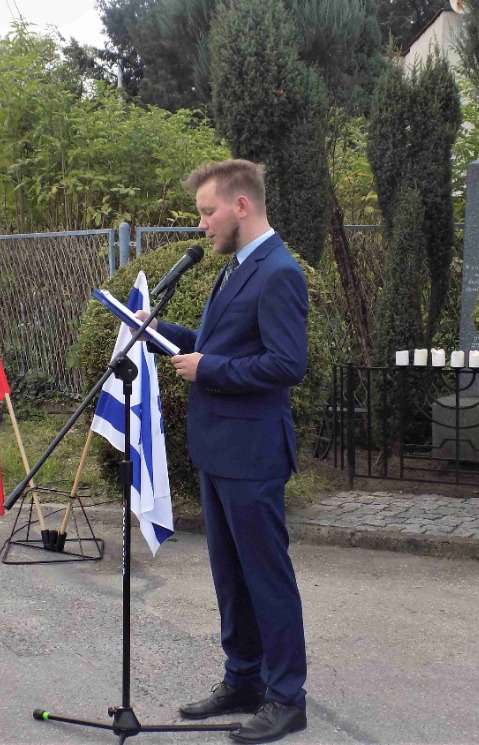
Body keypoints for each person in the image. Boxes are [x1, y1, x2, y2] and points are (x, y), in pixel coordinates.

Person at [143, 160, 309, 744]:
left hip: (254, 454)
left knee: (266, 577)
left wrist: (207, 367)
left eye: (208, 212)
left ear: (242, 206)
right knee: (230, 577)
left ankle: (287, 697)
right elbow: (224, 342)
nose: (203, 226)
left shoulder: (278, 272)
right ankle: (243, 678)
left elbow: (288, 364)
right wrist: (168, 334)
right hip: (217, 452)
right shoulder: (234, 269)